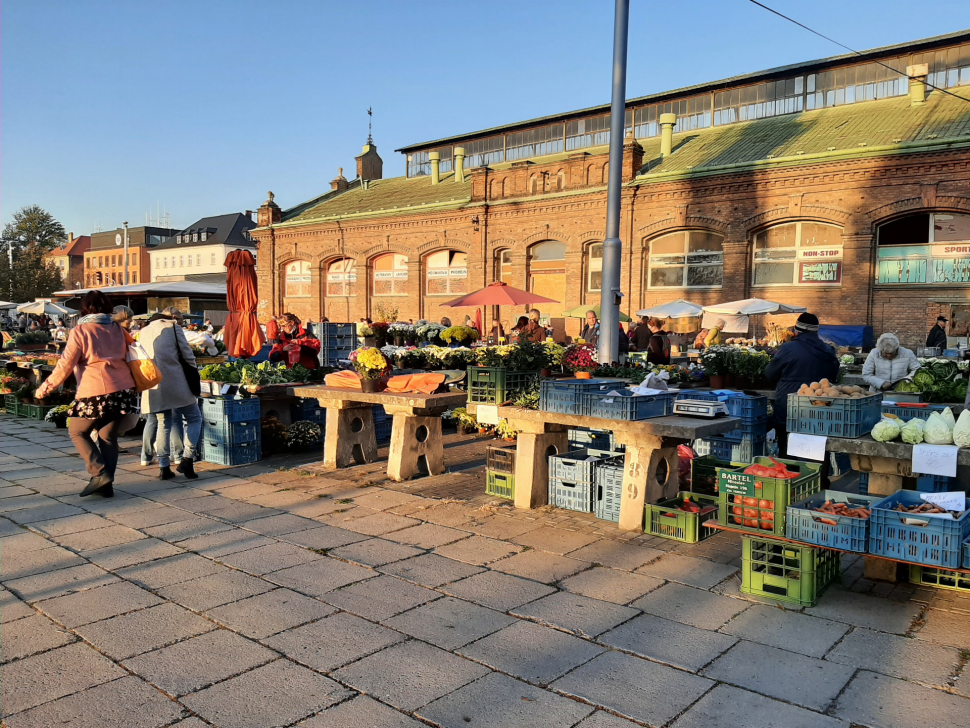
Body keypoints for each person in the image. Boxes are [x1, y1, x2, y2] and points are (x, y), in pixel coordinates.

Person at [34, 290, 138, 497]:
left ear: (85, 307)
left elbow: (66, 364)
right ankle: (105, 486)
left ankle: (99, 473)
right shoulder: (117, 328)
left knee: (77, 431)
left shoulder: (81, 330)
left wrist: (45, 388)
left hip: (96, 390)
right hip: (123, 388)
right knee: (107, 437)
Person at [138, 307, 203, 480]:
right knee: (195, 418)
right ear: (173, 318)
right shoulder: (174, 328)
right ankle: (187, 459)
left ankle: (164, 467)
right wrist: (194, 372)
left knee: (162, 424)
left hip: (153, 384)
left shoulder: (143, 331)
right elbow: (187, 355)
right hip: (176, 381)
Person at [764, 313, 840, 457]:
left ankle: (791, 478)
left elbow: (769, 374)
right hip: (819, 408)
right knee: (817, 452)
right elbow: (833, 378)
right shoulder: (828, 351)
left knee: (788, 453)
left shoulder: (788, 349)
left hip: (789, 408)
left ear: (797, 331)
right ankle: (820, 479)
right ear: (816, 331)